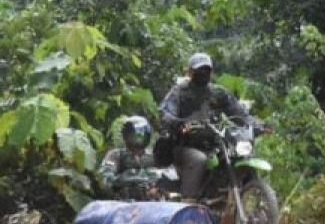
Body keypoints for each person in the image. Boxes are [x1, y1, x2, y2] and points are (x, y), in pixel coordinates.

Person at [158, 53, 254, 198]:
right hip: (185, 145)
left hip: (215, 143)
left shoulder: (219, 93)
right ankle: (188, 200)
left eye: (206, 70)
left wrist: (257, 125)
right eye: (199, 70)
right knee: (199, 159)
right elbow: (165, 113)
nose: (203, 73)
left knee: (241, 155)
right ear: (190, 72)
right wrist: (180, 123)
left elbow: (239, 113)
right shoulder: (179, 92)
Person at [98, 116, 159, 199]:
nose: (136, 139)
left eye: (140, 135)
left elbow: (170, 176)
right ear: (125, 135)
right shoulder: (116, 155)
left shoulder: (155, 157)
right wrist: (130, 178)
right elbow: (104, 180)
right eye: (131, 134)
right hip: (123, 205)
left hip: (154, 206)